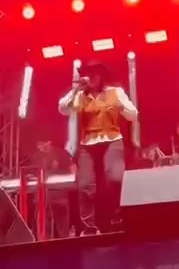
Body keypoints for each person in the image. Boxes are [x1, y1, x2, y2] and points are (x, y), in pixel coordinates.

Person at [57, 61, 137, 235]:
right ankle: (89, 227)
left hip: (112, 140)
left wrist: (122, 107)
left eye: (94, 74)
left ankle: (118, 216)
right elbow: (62, 108)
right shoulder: (79, 96)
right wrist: (76, 89)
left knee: (115, 178)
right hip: (88, 144)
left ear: (101, 76)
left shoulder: (115, 92)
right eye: (88, 74)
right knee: (86, 185)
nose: (91, 78)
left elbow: (133, 114)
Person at [31, 140, 74, 239]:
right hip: (41, 199)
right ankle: (44, 247)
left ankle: (65, 246)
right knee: (43, 233)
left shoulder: (61, 153)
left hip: (59, 197)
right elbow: (30, 174)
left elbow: (72, 168)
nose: (39, 147)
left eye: (41, 144)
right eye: (37, 145)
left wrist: (72, 179)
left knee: (63, 231)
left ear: (49, 142)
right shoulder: (35, 156)